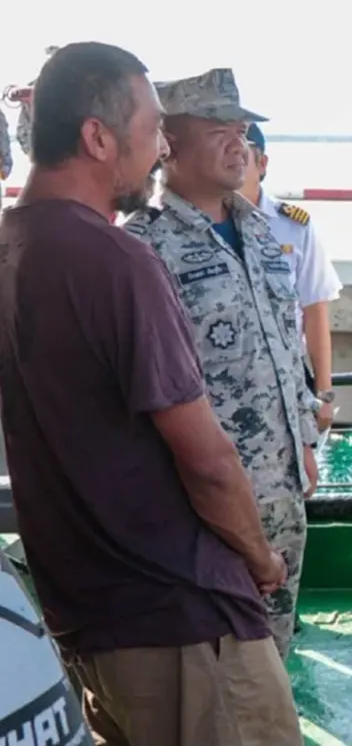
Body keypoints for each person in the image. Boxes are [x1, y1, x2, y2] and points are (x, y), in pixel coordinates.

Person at [0, 42, 301, 746]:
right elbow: (207, 460)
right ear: (97, 136)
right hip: (180, 619)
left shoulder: (13, 249)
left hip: (86, 617)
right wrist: (261, 560)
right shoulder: (116, 259)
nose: (161, 145)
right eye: (153, 126)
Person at [121, 67, 321, 660]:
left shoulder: (260, 231)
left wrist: (304, 440)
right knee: (218, 675)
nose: (242, 144)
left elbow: (288, 347)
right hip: (204, 512)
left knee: (274, 667)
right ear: (170, 143)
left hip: (281, 494)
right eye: (221, 132)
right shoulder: (141, 248)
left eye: (243, 130)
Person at [242, 122, 343, 431]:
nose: (230, 161)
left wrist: (324, 393)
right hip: (225, 374)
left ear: (262, 164)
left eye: (240, 153)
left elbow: (314, 310)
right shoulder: (200, 223)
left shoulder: (294, 227)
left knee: (300, 471)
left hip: (288, 374)